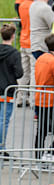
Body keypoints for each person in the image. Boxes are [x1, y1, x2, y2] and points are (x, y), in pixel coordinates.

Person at [0, 23, 22, 151]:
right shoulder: (14, 53)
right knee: (4, 121)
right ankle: (1, 148)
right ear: (13, 36)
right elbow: (19, 73)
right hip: (7, 90)